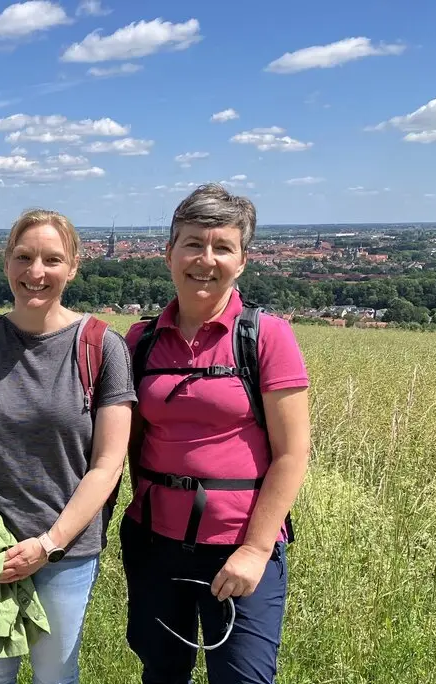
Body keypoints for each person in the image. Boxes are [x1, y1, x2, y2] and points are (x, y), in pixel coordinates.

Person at [121, 183, 310, 684]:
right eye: (192, 244)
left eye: (222, 247)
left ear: (242, 260)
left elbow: (293, 454)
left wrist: (255, 549)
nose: (205, 259)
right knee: (161, 673)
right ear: (168, 253)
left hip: (239, 544)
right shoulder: (139, 340)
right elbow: (125, 442)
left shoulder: (266, 336)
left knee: (243, 679)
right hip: (154, 540)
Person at [0, 209, 136, 684]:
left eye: (52, 259)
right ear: (6, 262)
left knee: (55, 675)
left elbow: (107, 465)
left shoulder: (100, 347)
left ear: (73, 267)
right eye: (24, 257)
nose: (36, 272)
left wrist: (48, 545)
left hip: (65, 551)